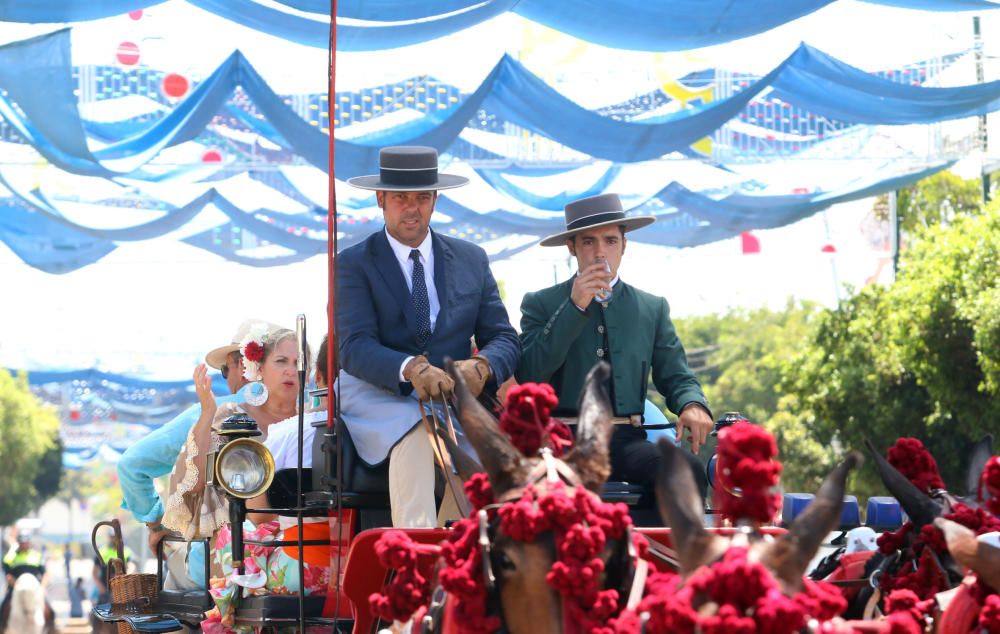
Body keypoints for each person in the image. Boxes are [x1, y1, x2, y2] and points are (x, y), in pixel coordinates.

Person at [337, 146, 520, 528]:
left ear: (435, 200)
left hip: (451, 398)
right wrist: (409, 369)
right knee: (420, 434)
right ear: (380, 199)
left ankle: (458, 554)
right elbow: (353, 346)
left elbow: (504, 336)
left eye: (422, 197)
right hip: (378, 391)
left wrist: (482, 367)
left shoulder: (472, 259)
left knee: (492, 460)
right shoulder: (353, 263)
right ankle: (413, 556)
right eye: (401, 197)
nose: (412, 207)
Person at [517, 193, 713, 499]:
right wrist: (574, 306)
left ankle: (662, 548)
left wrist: (693, 404)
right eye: (588, 242)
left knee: (685, 472)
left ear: (624, 244)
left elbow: (676, 375)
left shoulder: (652, 307)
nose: (600, 253)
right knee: (543, 490)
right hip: (561, 441)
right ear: (572, 247)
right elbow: (530, 374)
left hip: (627, 440)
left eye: (609, 241)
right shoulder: (540, 303)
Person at [162, 326, 322, 633]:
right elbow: (193, 483)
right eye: (281, 361)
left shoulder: (314, 422)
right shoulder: (231, 415)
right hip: (239, 535)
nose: (291, 370)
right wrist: (208, 412)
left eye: (298, 362)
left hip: (303, 538)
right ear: (259, 368)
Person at [116, 319, 280, 591]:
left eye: (225, 370)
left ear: (243, 365)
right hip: (296, 553)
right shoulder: (311, 412)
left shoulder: (211, 413)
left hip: (220, 562)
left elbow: (130, 465)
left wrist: (157, 525)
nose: (227, 380)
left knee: (171, 599)